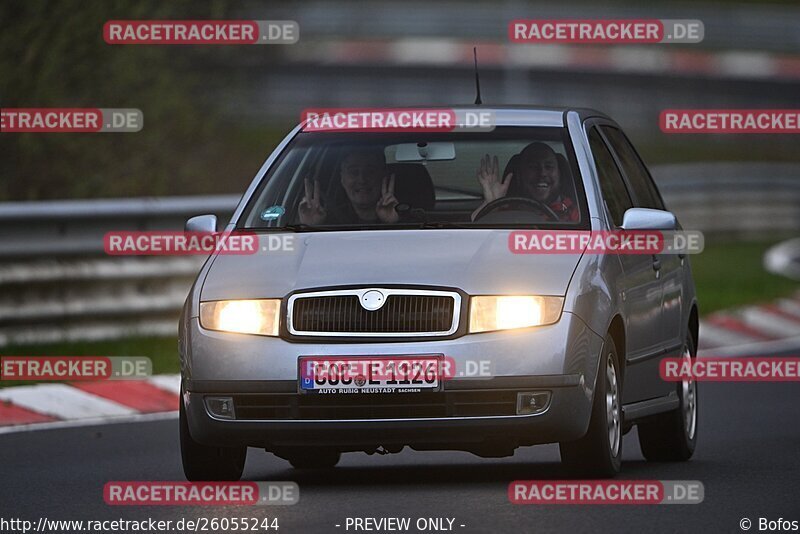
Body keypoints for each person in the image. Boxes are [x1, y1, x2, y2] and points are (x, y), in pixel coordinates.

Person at [471, 142, 579, 222]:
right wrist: (490, 204)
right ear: (519, 175)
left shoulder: (575, 213)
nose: (542, 173)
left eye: (549, 167)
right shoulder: (504, 211)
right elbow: (472, 236)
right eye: (533, 167)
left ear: (559, 174)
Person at [298, 148, 399, 225]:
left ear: (383, 176)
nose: (362, 180)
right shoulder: (327, 220)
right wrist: (310, 227)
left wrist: (396, 223)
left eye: (370, 172)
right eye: (353, 172)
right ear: (342, 179)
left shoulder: (409, 217)